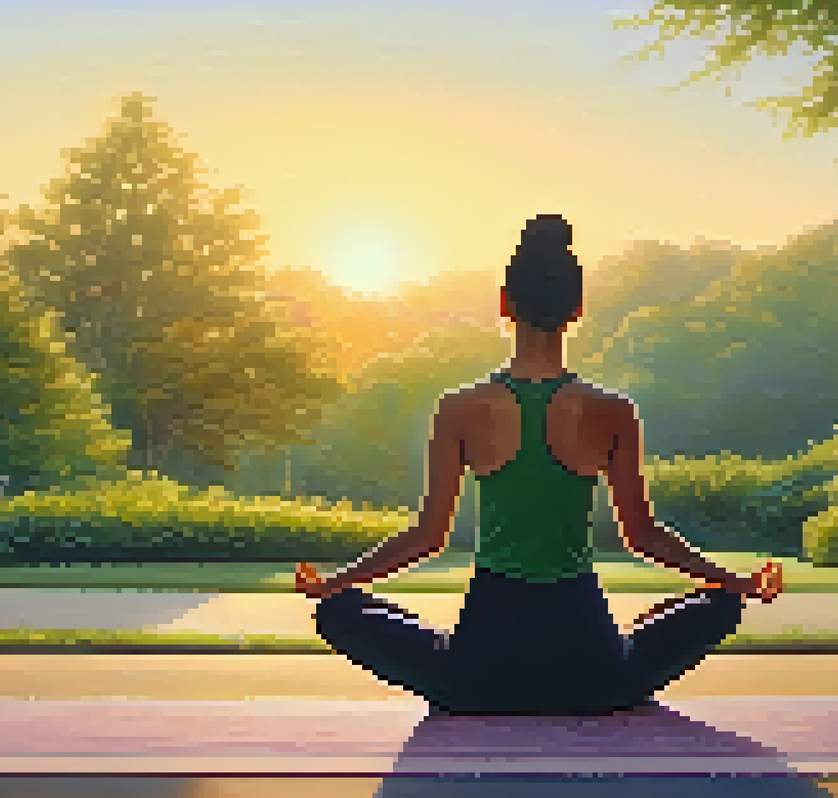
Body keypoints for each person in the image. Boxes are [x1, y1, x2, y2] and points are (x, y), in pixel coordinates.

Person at [293, 214, 782, 716]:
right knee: (719, 603)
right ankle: (621, 651)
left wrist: (337, 581)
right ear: (577, 309)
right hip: (593, 676)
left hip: (479, 677)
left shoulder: (460, 408)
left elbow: (426, 538)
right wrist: (733, 581)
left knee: (339, 613)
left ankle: (476, 673)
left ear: (504, 305)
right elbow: (645, 538)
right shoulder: (613, 411)